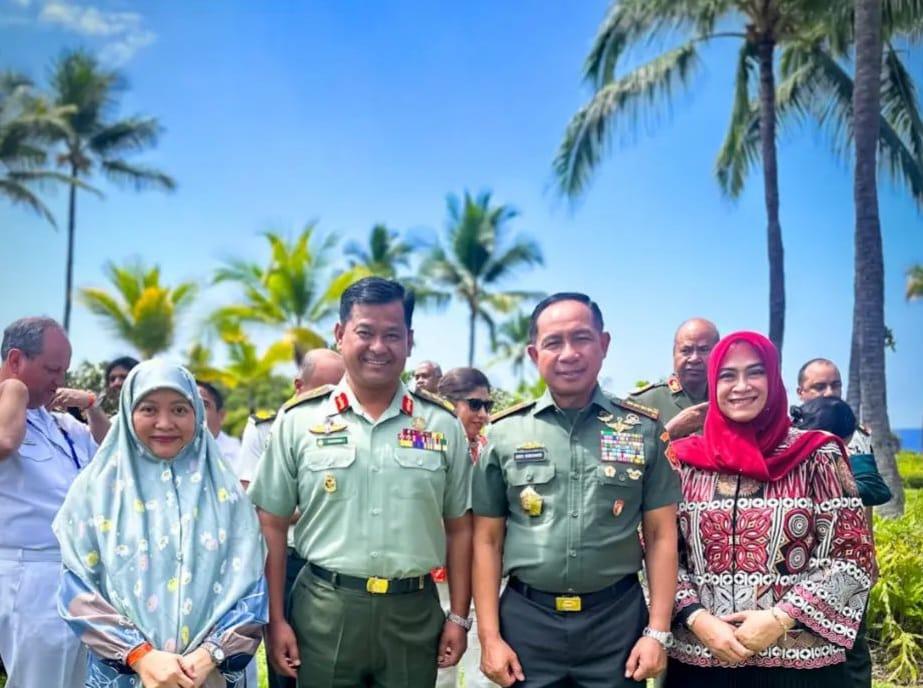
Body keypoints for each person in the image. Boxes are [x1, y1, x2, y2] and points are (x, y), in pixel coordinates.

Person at [248, 277, 473, 688]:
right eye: (365, 332)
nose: (378, 347)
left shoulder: (442, 425)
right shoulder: (299, 421)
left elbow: (460, 527)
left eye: (393, 335)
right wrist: (275, 619)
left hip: (412, 612)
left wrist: (458, 616)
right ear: (340, 335)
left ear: (409, 340)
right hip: (325, 610)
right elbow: (271, 525)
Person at [472, 293, 681, 688]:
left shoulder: (643, 430)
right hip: (527, 622)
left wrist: (657, 632)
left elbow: (660, 535)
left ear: (603, 344)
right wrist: (489, 637)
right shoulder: (503, 433)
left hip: (616, 623)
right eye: (553, 342)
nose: (568, 354)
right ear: (534, 354)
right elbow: (486, 539)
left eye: (581, 338)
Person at [666, 332, 876, 688]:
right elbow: (658, 549)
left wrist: (780, 618)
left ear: (774, 379)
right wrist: (697, 618)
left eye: (755, 372)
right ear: (714, 384)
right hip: (700, 658)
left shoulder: (818, 456)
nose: (741, 386)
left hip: (800, 666)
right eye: (728, 375)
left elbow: (852, 555)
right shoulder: (683, 461)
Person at [53, 360, 268, 687]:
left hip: (207, 675)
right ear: (128, 413)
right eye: (149, 409)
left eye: (180, 410)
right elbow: (77, 588)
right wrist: (141, 657)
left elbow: (252, 587)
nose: (165, 423)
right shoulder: (96, 492)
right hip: (125, 675)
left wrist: (209, 655)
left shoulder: (226, 495)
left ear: (197, 414)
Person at [237, 348, 345, 688]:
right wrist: (316, 508)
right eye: (323, 390)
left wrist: (293, 507)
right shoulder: (267, 427)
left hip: (337, 569)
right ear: (299, 386)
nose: (333, 399)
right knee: (287, 665)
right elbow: (254, 502)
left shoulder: (352, 426)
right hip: (287, 563)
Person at [0, 317, 95, 688]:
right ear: (16, 359)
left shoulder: (54, 421)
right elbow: (5, 444)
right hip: (30, 574)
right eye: (52, 370)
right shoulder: (10, 408)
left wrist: (92, 405)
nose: (59, 381)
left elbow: (114, 454)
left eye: (64, 371)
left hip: (76, 573)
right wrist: (14, 390)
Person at [793, 364, 892, 688]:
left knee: (851, 645)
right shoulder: (788, 432)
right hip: (799, 560)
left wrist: (869, 552)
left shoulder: (855, 435)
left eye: (835, 385)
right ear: (801, 393)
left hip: (846, 557)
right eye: (819, 386)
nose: (829, 392)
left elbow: (869, 497)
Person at [436, 367, 496, 688]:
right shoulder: (428, 450)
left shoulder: (490, 450)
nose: (483, 415)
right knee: (438, 667)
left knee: (485, 672)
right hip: (439, 577)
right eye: (474, 405)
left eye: (488, 406)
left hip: (486, 574)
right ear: (449, 405)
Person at [630, 318, 718, 440]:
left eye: (703, 350)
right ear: (674, 354)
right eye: (686, 350)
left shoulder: (729, 402)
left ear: (718, 353)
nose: (694, 358)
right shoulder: (641, 403)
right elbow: (622, 451)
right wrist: (668, 434)